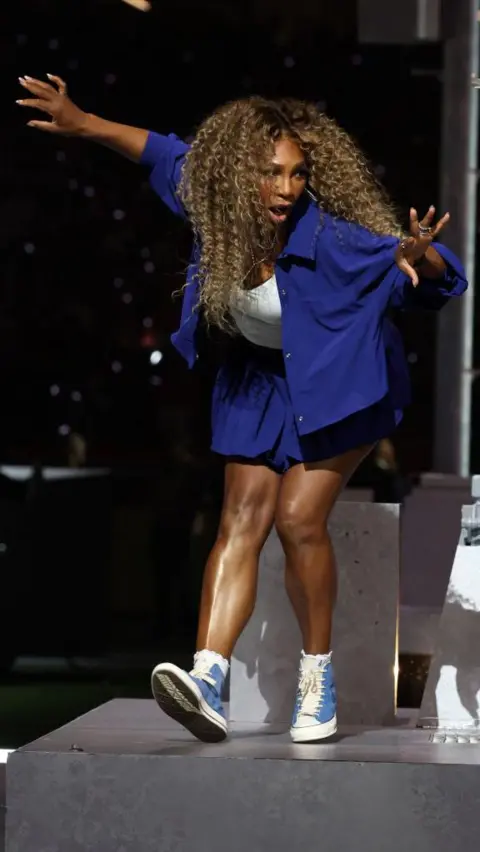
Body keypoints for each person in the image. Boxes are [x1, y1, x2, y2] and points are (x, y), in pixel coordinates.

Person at [17, 75, 468, 743]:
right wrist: (82, 122)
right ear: (238, 172)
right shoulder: (211, 198)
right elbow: (158, 151)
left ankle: (319, 682)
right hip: (259, 379)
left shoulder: (336, 239)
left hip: (343, 384)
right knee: (239, 518)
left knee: (296, 517)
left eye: (297, 174)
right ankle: (207, 677)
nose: (287, 188)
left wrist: (421, 258)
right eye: (271, 173)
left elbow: (440, 275)